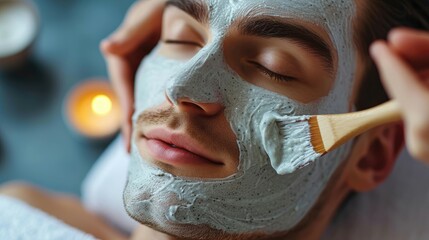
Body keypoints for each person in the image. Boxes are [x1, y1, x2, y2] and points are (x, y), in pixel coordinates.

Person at [1, 1, 429, 240]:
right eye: (180, 38)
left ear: (370, 155)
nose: (183, 87)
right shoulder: (16, 215)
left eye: (274, 66)